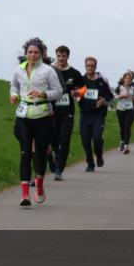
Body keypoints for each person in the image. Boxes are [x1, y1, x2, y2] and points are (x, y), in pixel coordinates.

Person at [10, 38, 64, 207]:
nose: (32, 55)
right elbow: (13, 86)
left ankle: (39, 183)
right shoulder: (19, 70)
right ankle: (25, 194)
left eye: (36, 52)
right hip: (23, 116)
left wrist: (42, 94)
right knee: (25, 152)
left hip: (43, 116)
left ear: (41, 54)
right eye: (30, 52)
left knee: (40, 154)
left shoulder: (49, 71)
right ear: (26, 53)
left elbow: (59, 92)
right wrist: (13, 95)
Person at [48, 45, 84, 180]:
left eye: (63, 56)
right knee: (53, 140)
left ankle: (59, 170)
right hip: (51, 111)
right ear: (56, 56)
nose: (61, 58)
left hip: (67, 112)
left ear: (68, 57)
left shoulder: (74, 73)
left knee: (65, 139)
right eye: (59, 56)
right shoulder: (50, 71)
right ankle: (54, 155)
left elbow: (83, 89)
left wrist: (77, 93)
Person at [77, 56, 114, 172]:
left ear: (95, 67)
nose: (90, 67)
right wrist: (76, 95)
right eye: (88, 65)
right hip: (85, 114)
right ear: (85, 66)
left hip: (98, 115)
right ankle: (90, 163)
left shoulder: (102, 81)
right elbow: (77, 93)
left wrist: (104, 101)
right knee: (85, 140)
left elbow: (110, 96)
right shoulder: (81, 80)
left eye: (92, 65)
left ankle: (99, 155)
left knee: (97, 137)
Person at [114, 72, 134, 155]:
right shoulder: (119, 87)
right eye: (126, 78)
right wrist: (121, 96)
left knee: (127, 126)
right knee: (122, 127)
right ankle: (122, 141)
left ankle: (126, 146)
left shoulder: (133, 88)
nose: (128, 80)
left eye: (129, 79)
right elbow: (114, 96)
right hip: (120, 109)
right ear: (124, 79)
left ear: (131, 80)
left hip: (130, 109)